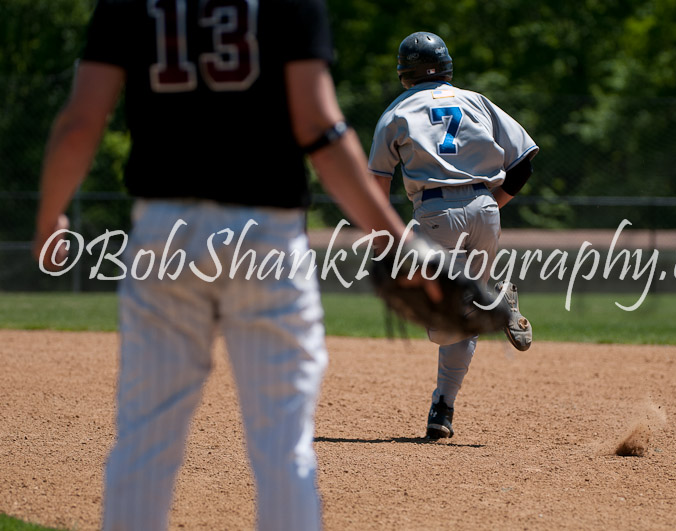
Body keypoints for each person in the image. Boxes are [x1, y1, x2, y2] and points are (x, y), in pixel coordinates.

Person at [33, 1, 435, 530]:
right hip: (265, 235)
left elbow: (82, 124)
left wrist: (47, 221)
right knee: (282, 445)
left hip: (165, 231)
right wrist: (394, 236)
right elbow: (319, 127)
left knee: (144, 439)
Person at [368, 31, 537, 440]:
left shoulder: (397, 111)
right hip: (484, 208)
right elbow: (524, 161)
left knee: (441, 319)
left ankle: (492, 301)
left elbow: (376, 184)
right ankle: (443, 409)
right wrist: (489, 206)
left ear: (404, 73)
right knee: (465, 314)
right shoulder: (477, 101)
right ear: (446, 67)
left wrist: (381, 241)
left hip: (435, 213)